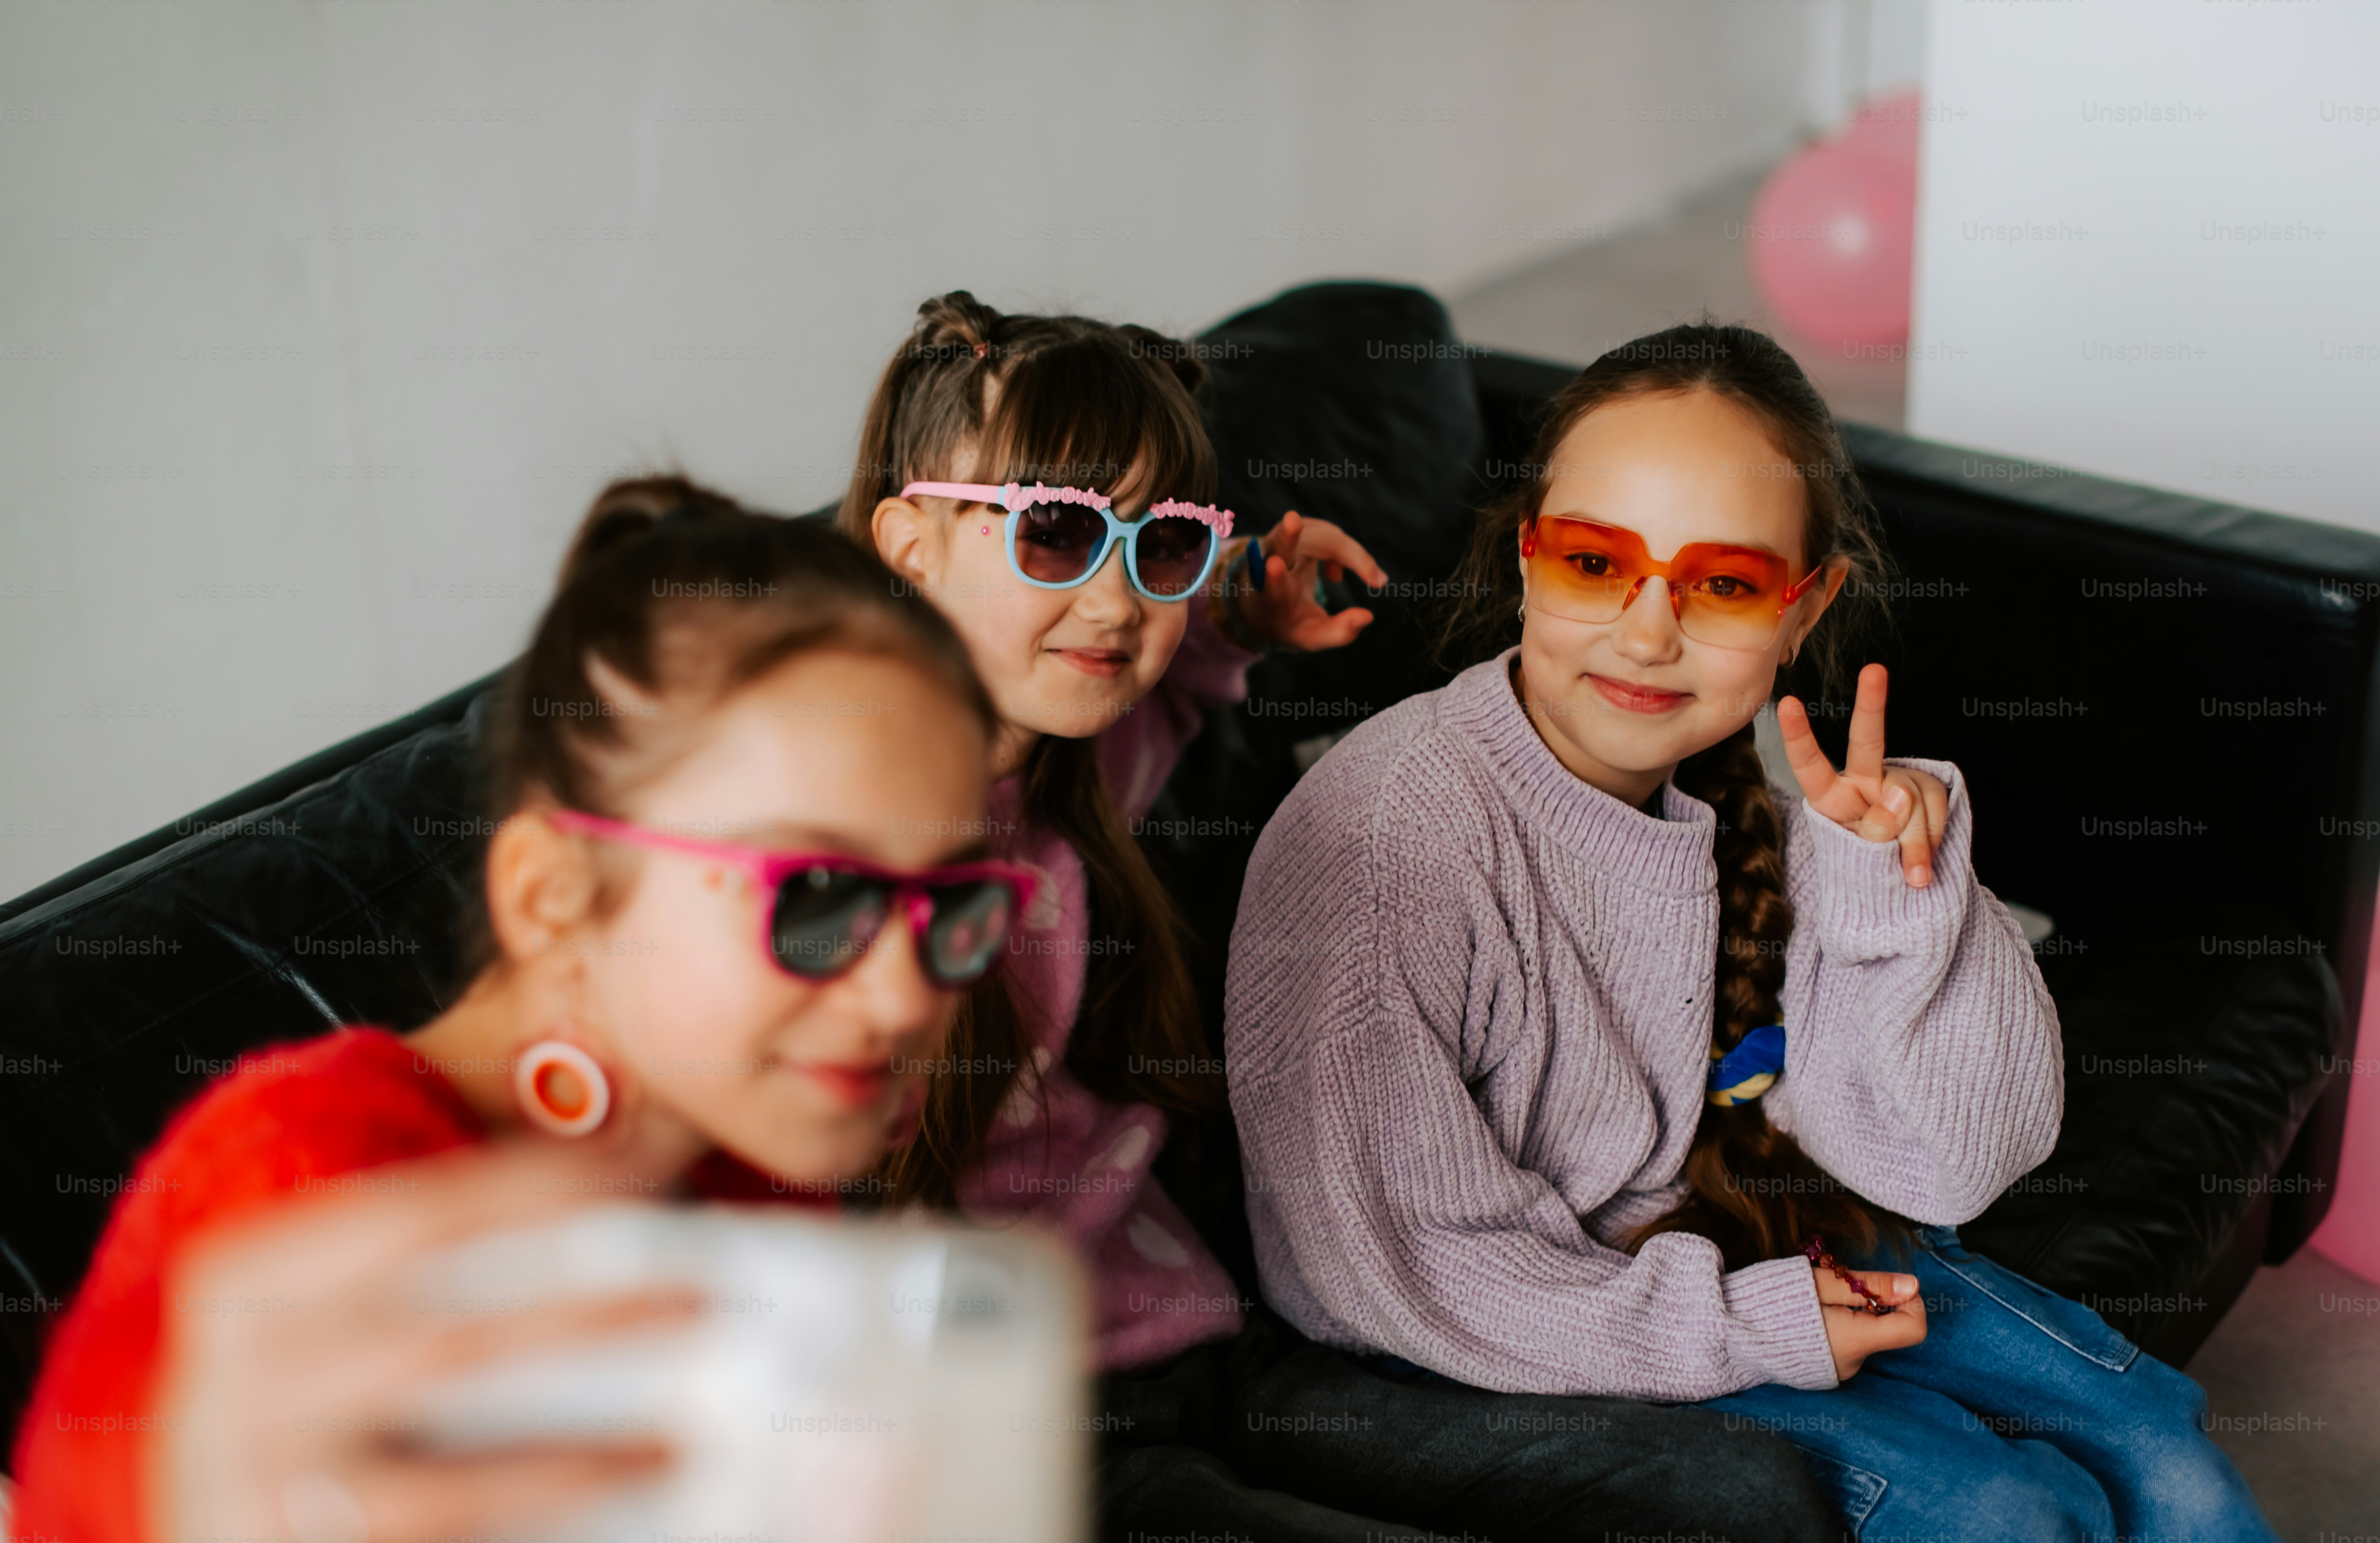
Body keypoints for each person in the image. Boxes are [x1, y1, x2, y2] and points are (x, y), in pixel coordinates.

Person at [1224, 322, 2279, 1539]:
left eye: (1722, 583)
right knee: (2003, 1512)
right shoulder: (1387, 834)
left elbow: (1948, 1168)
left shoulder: (1768, 816)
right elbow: (1394, 1267)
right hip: (1503, 1334)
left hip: (1741, 1251)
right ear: (1525, 559)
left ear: (1805, 604)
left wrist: (1902, 892)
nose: (1648, 631)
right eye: (1592, 564)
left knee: (2168, 1455)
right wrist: (1743, 1325)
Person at [846, 295, 1842, 1541]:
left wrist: (1233, 618)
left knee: (1745, 1496)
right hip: (1029, 1443)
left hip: (1212, 1346)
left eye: (1159, 546)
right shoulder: (837, 861)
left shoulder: (1065, 766)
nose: (1114, 602)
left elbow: (1144, 701)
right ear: (908, 543)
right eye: (1053, 534)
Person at [11, 477, 1035, 1543]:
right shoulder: (306, 1180)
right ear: (551, 895)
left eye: (952, 904)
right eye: (823, 897)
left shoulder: (746, 1178)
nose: (911, 989)